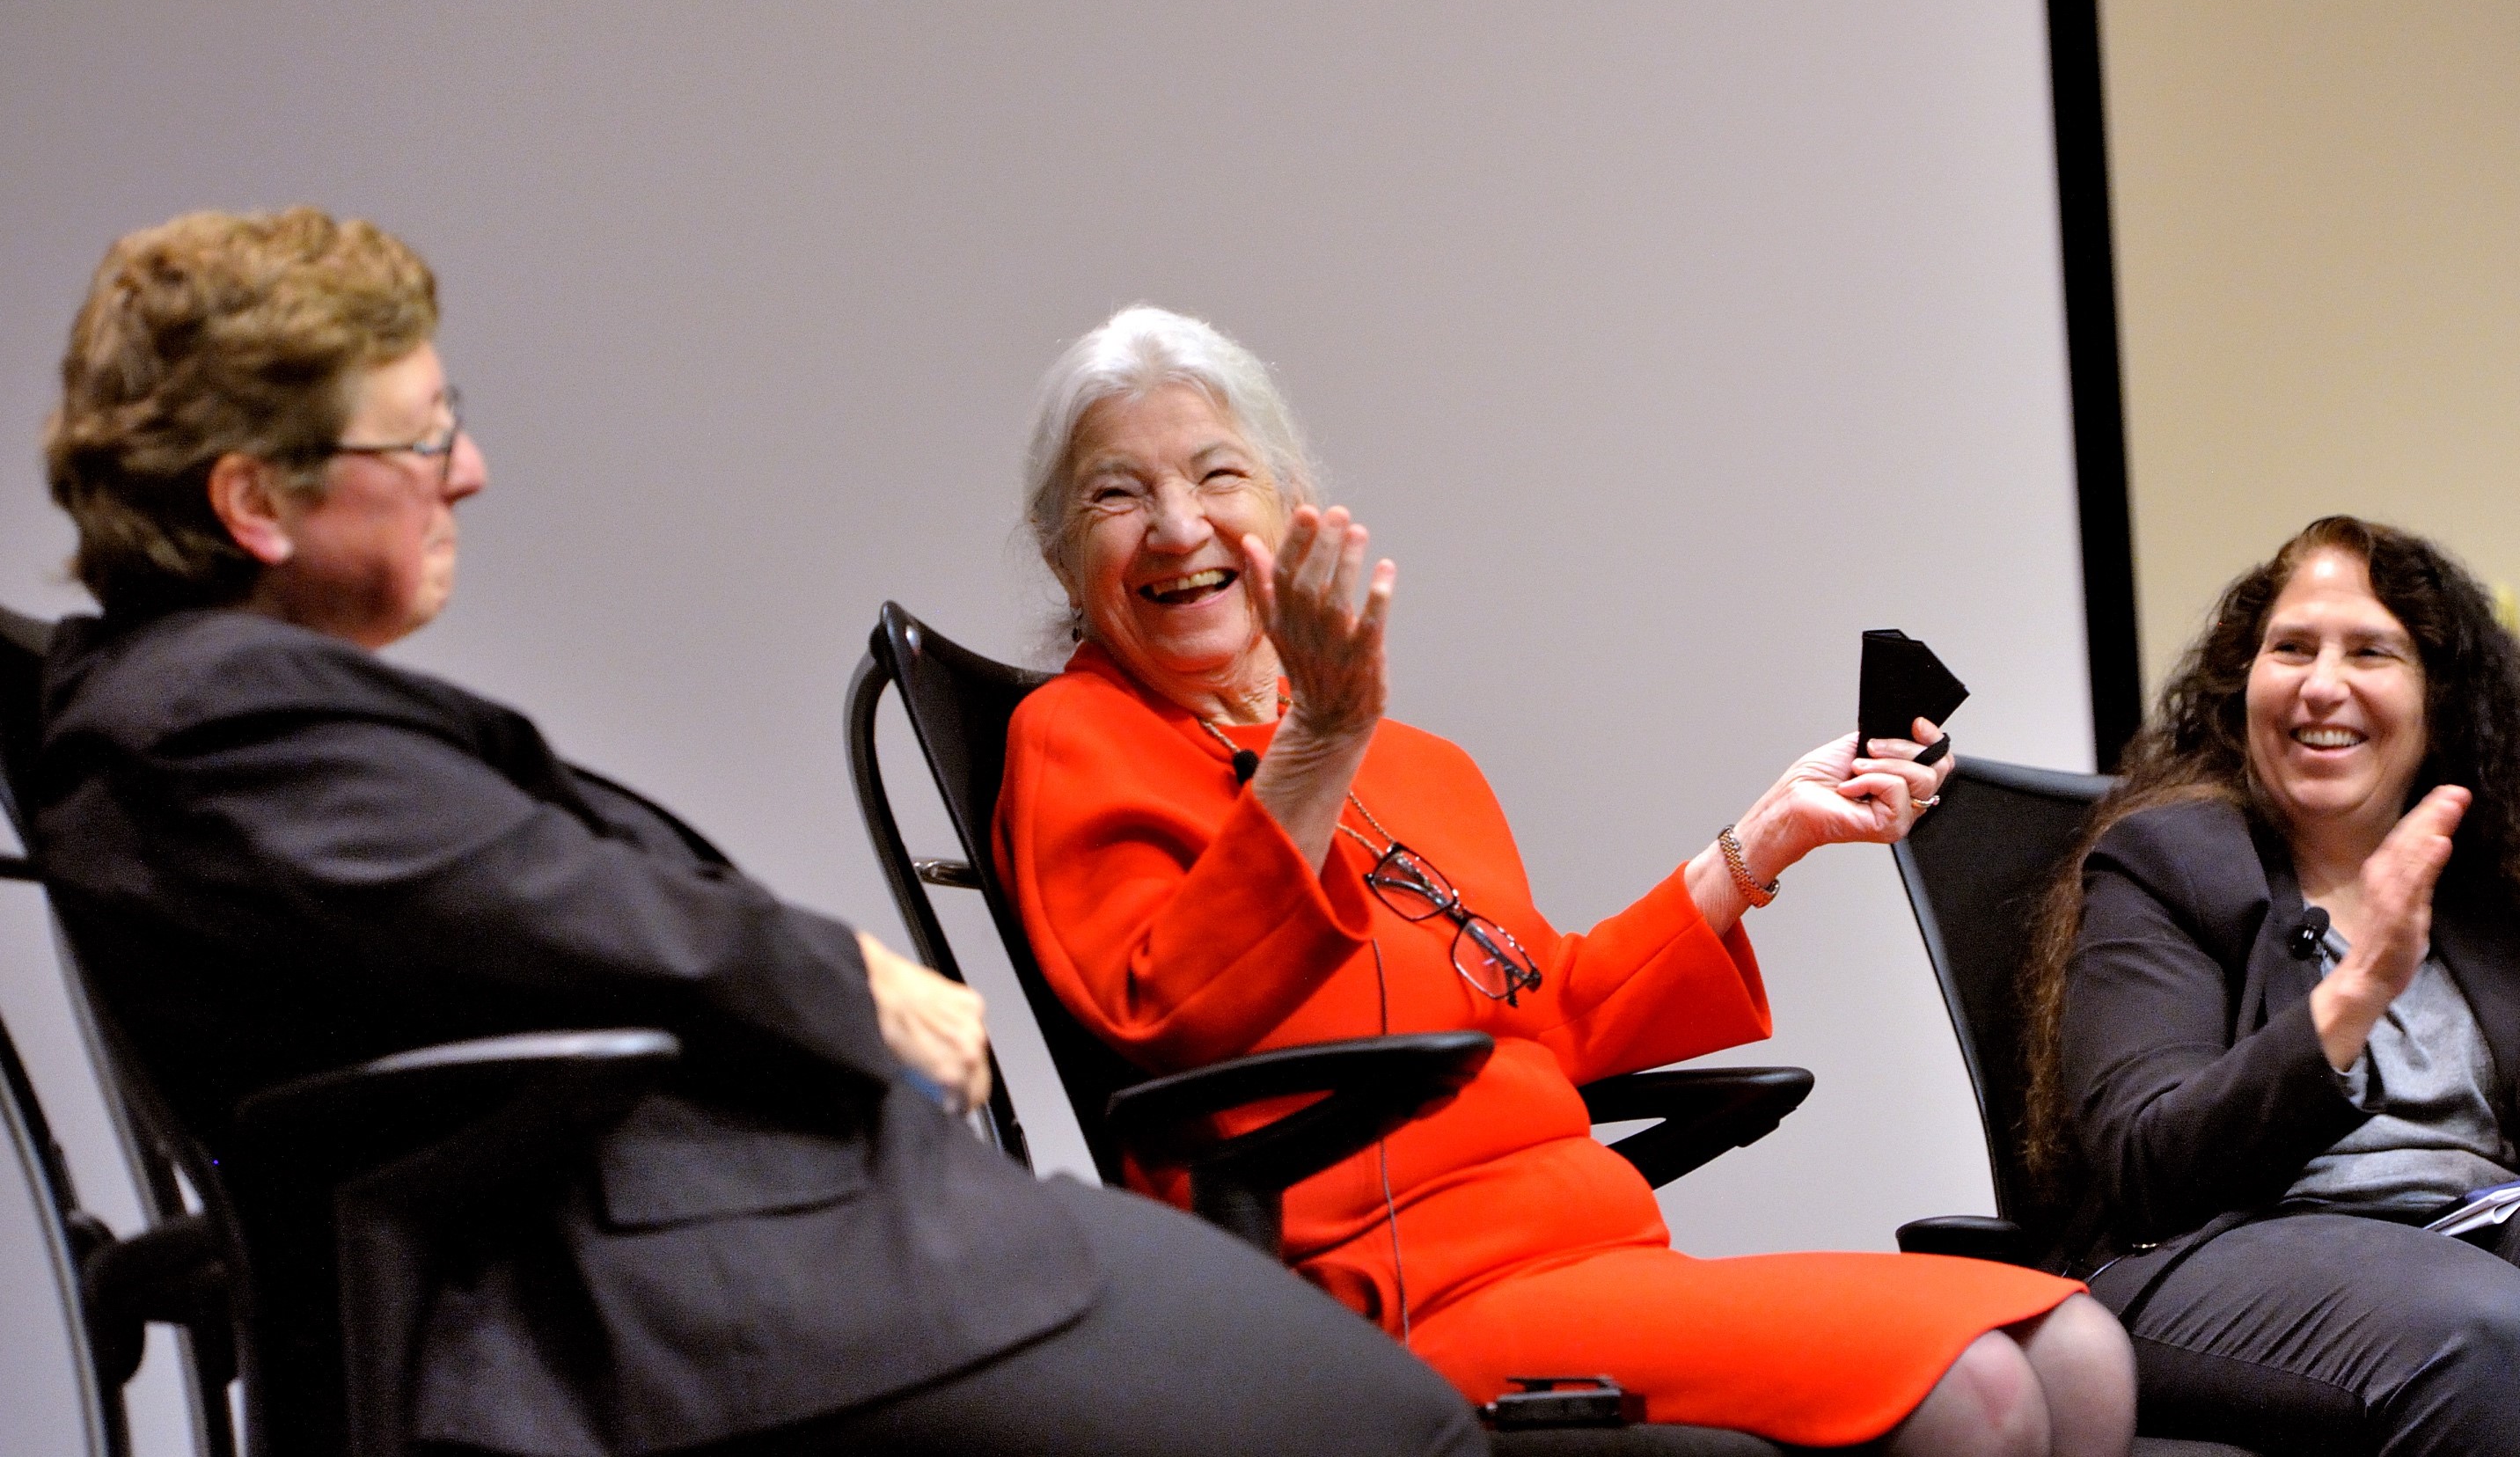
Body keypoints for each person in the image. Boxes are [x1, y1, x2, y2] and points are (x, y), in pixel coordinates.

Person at [31, 210, 1485, 1457]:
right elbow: (549, 901)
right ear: (251, 501)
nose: (465, 466)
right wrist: (853, 981)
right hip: (715, 1300)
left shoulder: (227, 709)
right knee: (1397, 1429)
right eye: (417, 434)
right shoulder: (206, 720)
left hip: (799, 1246)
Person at [992, 304, 2138, 1455]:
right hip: (1378, 1297)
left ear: (1291, 508)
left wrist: (1763, 839)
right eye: (1115, 494)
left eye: (1216, 474)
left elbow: (1551, 1012)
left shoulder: (1422, 766)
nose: (1176, 525)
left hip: (1584, 1247)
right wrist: (1317, 746)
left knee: (2080, 1350)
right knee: (1983, 1392)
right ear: (1057, 550)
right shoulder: (1074, 739)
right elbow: (1174, 1013)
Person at [2024, 515, 2520, 1455]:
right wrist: (2358, 989)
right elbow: (2149, 1166)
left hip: (2480, 1234)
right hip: (2229, 1252)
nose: (2322, 684)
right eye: (2291, 648)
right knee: (2494, 1336)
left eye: (2369, 651)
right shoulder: (2167, 863)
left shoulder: (2491, 877)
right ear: (2242, 682)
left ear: (2438, 700)